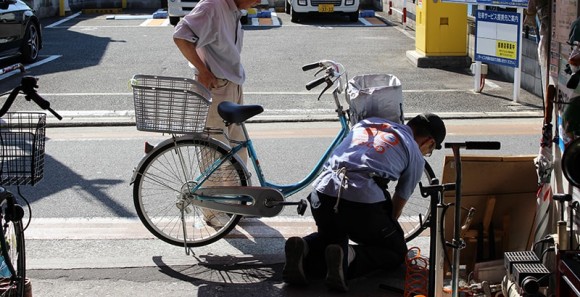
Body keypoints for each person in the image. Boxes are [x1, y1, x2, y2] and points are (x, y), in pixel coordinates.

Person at [282, 113, 447, 292]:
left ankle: (304, 247)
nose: (427, 153)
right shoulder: (414, 151)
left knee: (334, 235)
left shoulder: (369, 123)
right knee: (396, 252)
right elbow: (396, 207)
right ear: (429, 142)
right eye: (430, 150)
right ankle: (348, 257)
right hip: (361, 205)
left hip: (322, 195)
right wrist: (384, 231)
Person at [173, 0, 259, 227]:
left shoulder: (233, 10)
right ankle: (212, 211)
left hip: (232, 85)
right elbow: (181, 35)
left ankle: (236, 204)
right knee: (214, 150)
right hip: (216, 87)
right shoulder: (212, 6)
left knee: (238, 148)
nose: (259, 1)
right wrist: (202, 71)